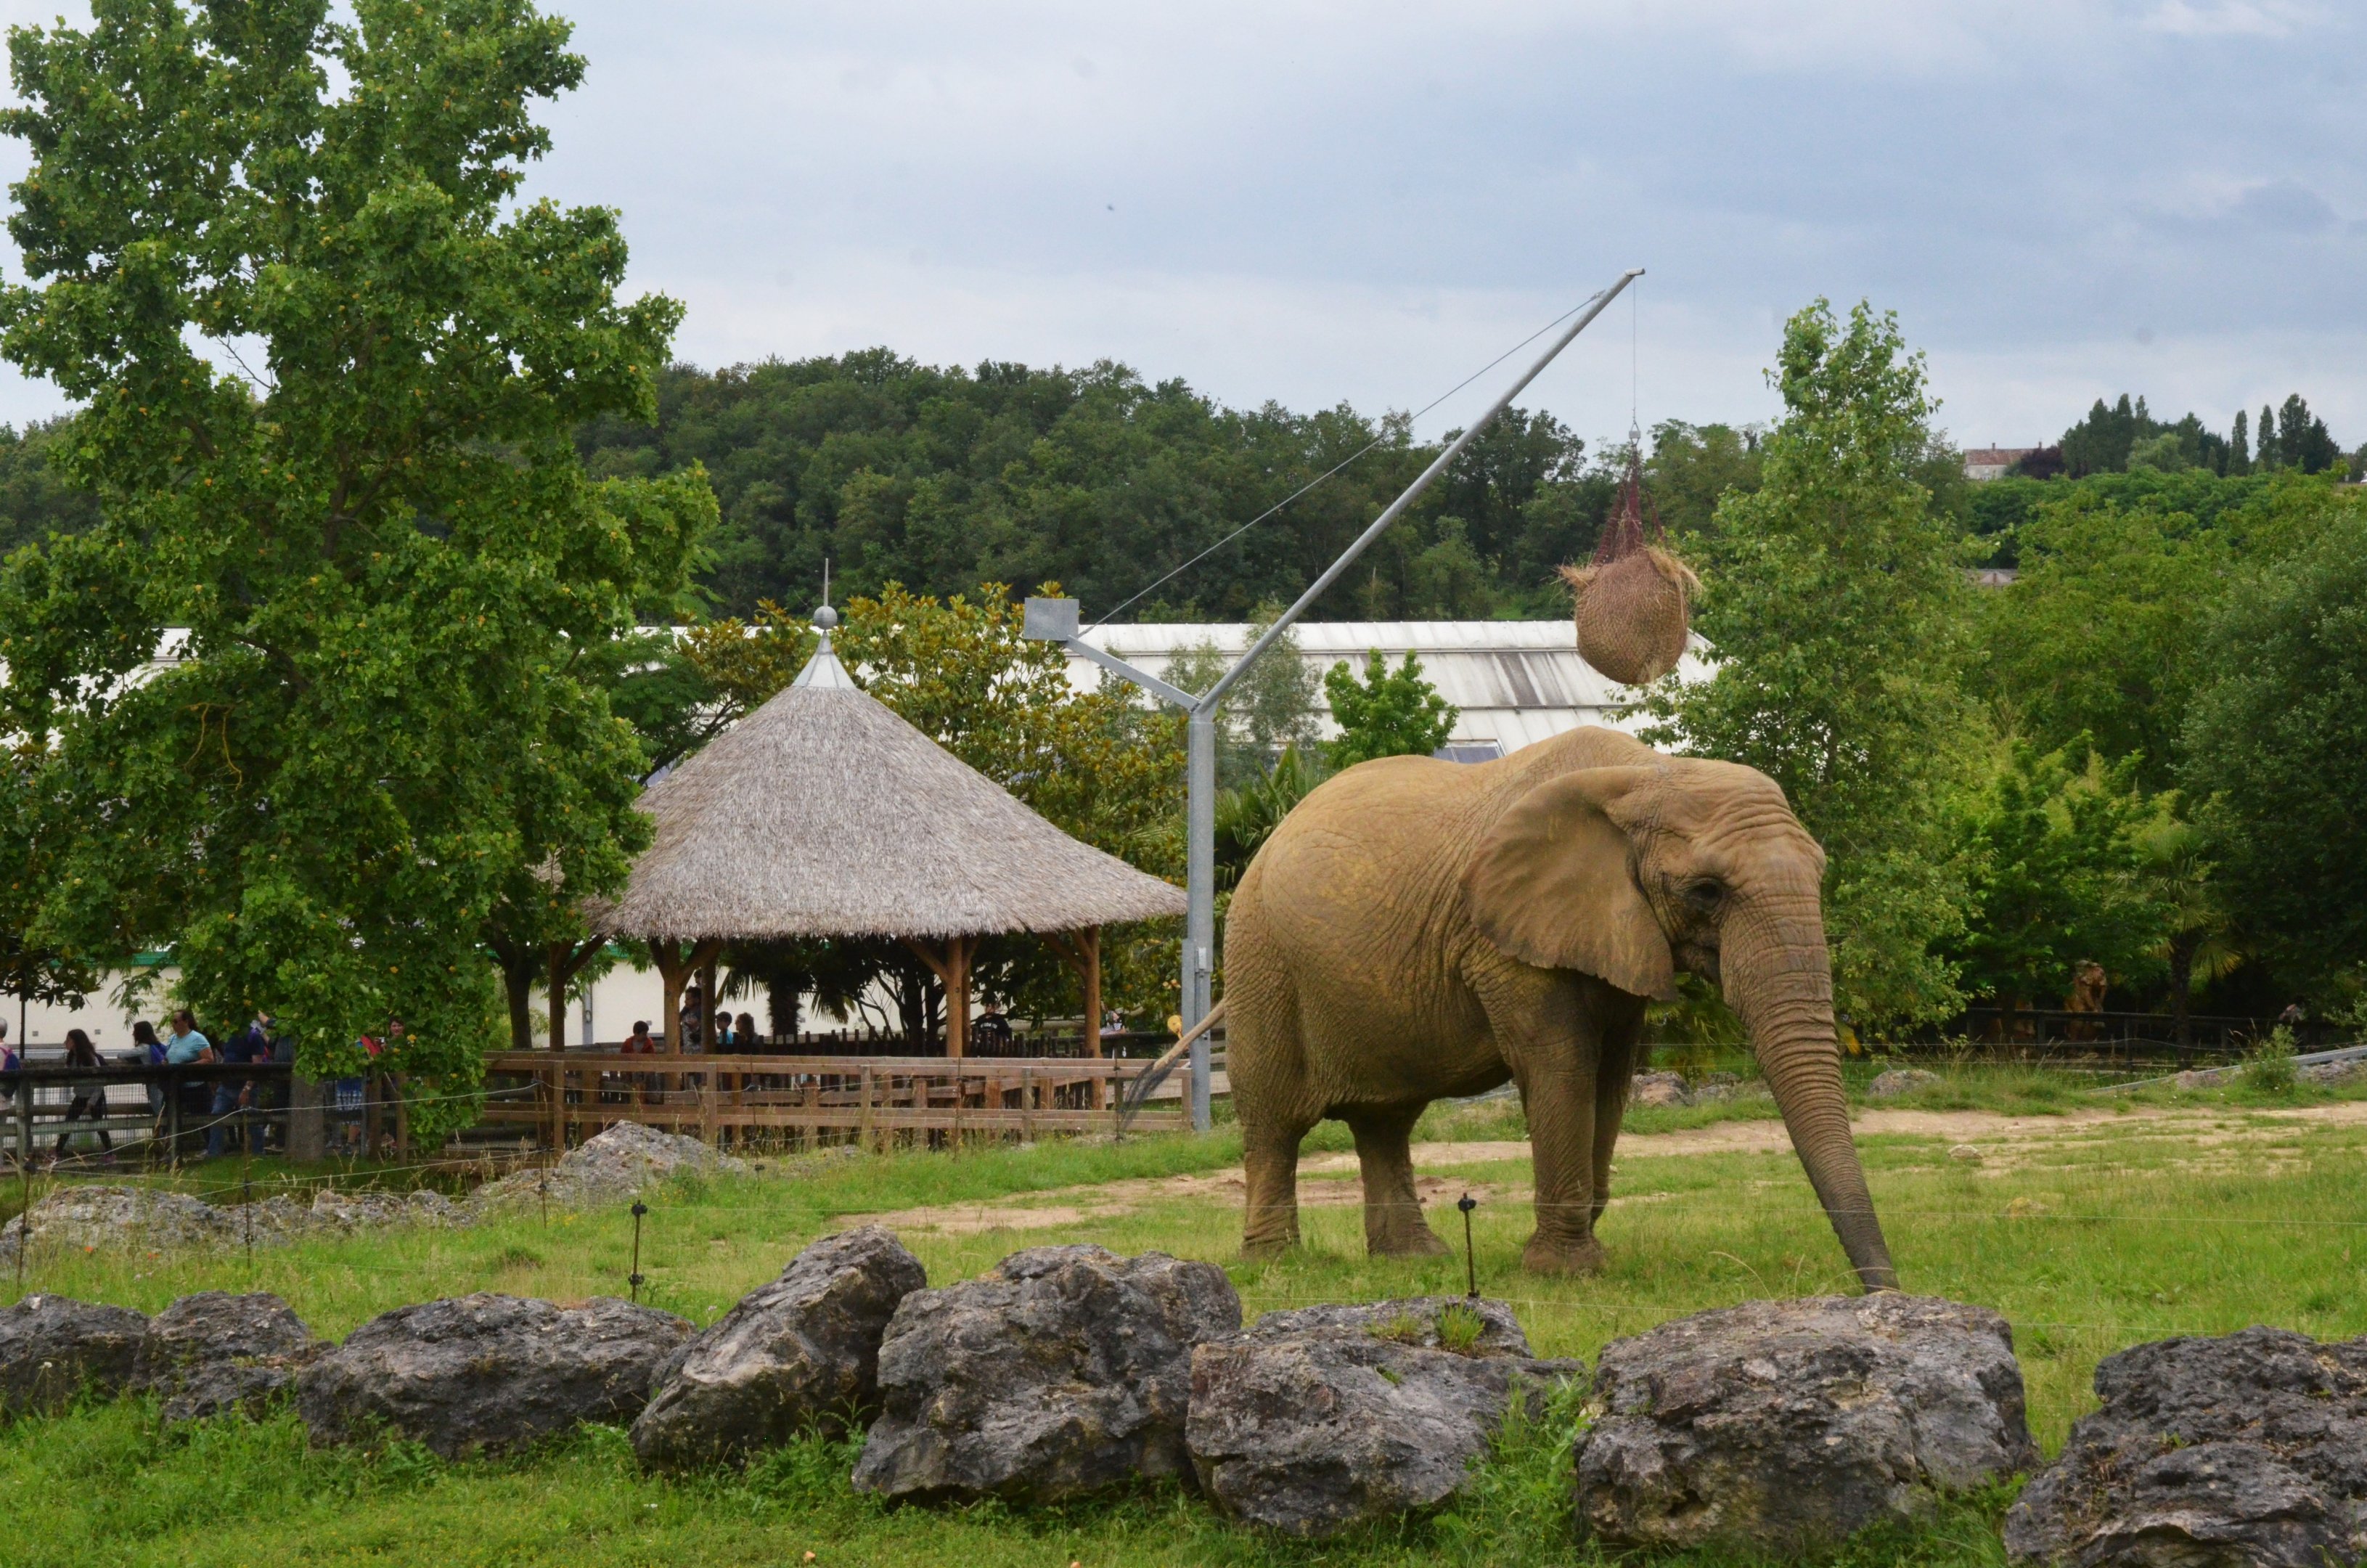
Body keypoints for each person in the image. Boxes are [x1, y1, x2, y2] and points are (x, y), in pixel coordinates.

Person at [206, 1010, 272, 1160]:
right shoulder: (228, 1036)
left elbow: (257, 1064)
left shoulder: (253, 1036)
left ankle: (258, 1153)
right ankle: (214, 1154)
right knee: (217, 1117)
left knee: (252, 1121)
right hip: (226, 1085)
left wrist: (247, 1088)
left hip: (245, 1086)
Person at [54, 1028, 113, 1162]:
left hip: (94, 1096)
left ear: (75, 1042)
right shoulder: (72, 1057)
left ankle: (110, 1152)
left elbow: (100, 1081)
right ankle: (58, 1151)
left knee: (99, 1125)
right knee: (69, 1122)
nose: (66, 1042)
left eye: (68, 1040)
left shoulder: (90, 1058)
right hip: (80, 1096)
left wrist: (92, 1101)